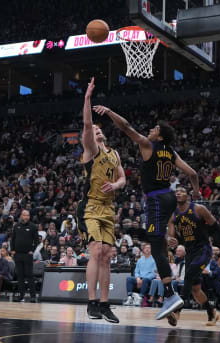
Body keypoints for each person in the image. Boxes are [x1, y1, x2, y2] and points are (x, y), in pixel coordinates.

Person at [93, 101, 199, 322]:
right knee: (158, 243)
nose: (150, 130)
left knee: (156, 247)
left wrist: (110, 111)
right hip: (169, 196)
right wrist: (196, 193)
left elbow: (126, 127)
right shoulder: (171, 153)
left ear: (159, 136)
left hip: (156, 200)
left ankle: (170, 295)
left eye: (154, 129)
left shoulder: (148, 146)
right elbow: (193, 174)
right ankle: (171, 298)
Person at [73, 80, 127, 322]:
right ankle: (91, 302)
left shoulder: (114, 154)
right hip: (90, 207)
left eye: (98, 129)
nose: (96, 130)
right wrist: (87, 98)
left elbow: (123, 178)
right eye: (93, 131)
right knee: (95, 250)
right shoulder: (91, 151)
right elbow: (86, 123)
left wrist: (115, 184)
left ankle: (105, 304)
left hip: (108, 208)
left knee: (107, 254)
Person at [166, 186, 220, 327]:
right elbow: (171, 236)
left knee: (190, 272)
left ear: (188, 196)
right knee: (195, 290)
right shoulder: (173, 215)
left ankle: (177, 310)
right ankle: (212, 313)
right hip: (190, 251)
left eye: (182, 191)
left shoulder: (198, 209)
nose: (178, 193)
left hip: (204, 249)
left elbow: (217, 228)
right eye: (177, 192)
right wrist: (169, 240)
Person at [10, 210, 40, 303]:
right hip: (18, 254)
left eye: (27, 215)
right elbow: (13, 239)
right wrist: (12, 250)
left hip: (28, 254)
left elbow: (37, 240)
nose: (26, 217)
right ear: (21, 216)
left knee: (29, 275)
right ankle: (21, 296)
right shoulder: (16, 226)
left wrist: (32, 250)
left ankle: (33, 296)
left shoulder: (33, 226)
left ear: (29, 216)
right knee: (20, 276)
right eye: (24, 215)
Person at [123, 243, 163, 307]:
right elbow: (136, 271)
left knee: (145, 279)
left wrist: (142, 279)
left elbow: (154, 273)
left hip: (148, 279)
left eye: (149, 248)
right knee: (129, 278)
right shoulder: (140, 260)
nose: (147, 249)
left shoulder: (154, 260)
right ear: (143, 250)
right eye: (145, 248)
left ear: (151, 250)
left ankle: (140, 298)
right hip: (139, 278)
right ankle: (130, 297)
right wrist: (138, 278)